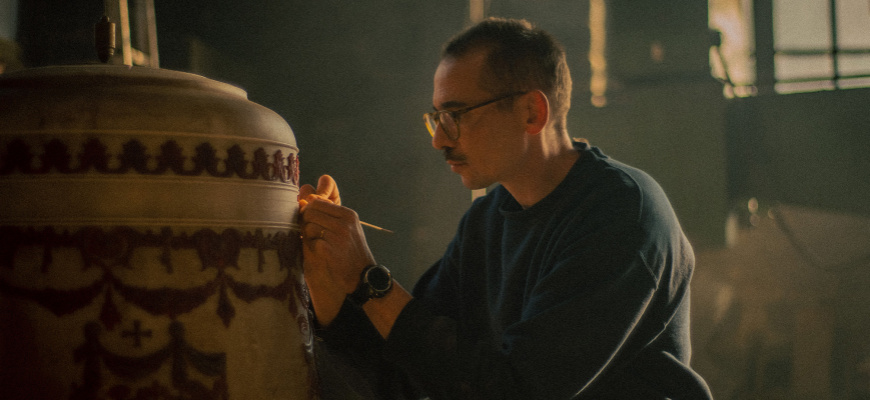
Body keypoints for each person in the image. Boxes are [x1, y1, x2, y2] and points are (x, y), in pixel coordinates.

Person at [298, 17, 713, 399]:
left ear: (532, 112)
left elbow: (519, 390)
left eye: (456, 115)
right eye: (436, 117)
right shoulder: (486, 219)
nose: (439, 140)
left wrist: (368, 277)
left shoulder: (622, 215)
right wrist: (328, 278)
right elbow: (407, 369)